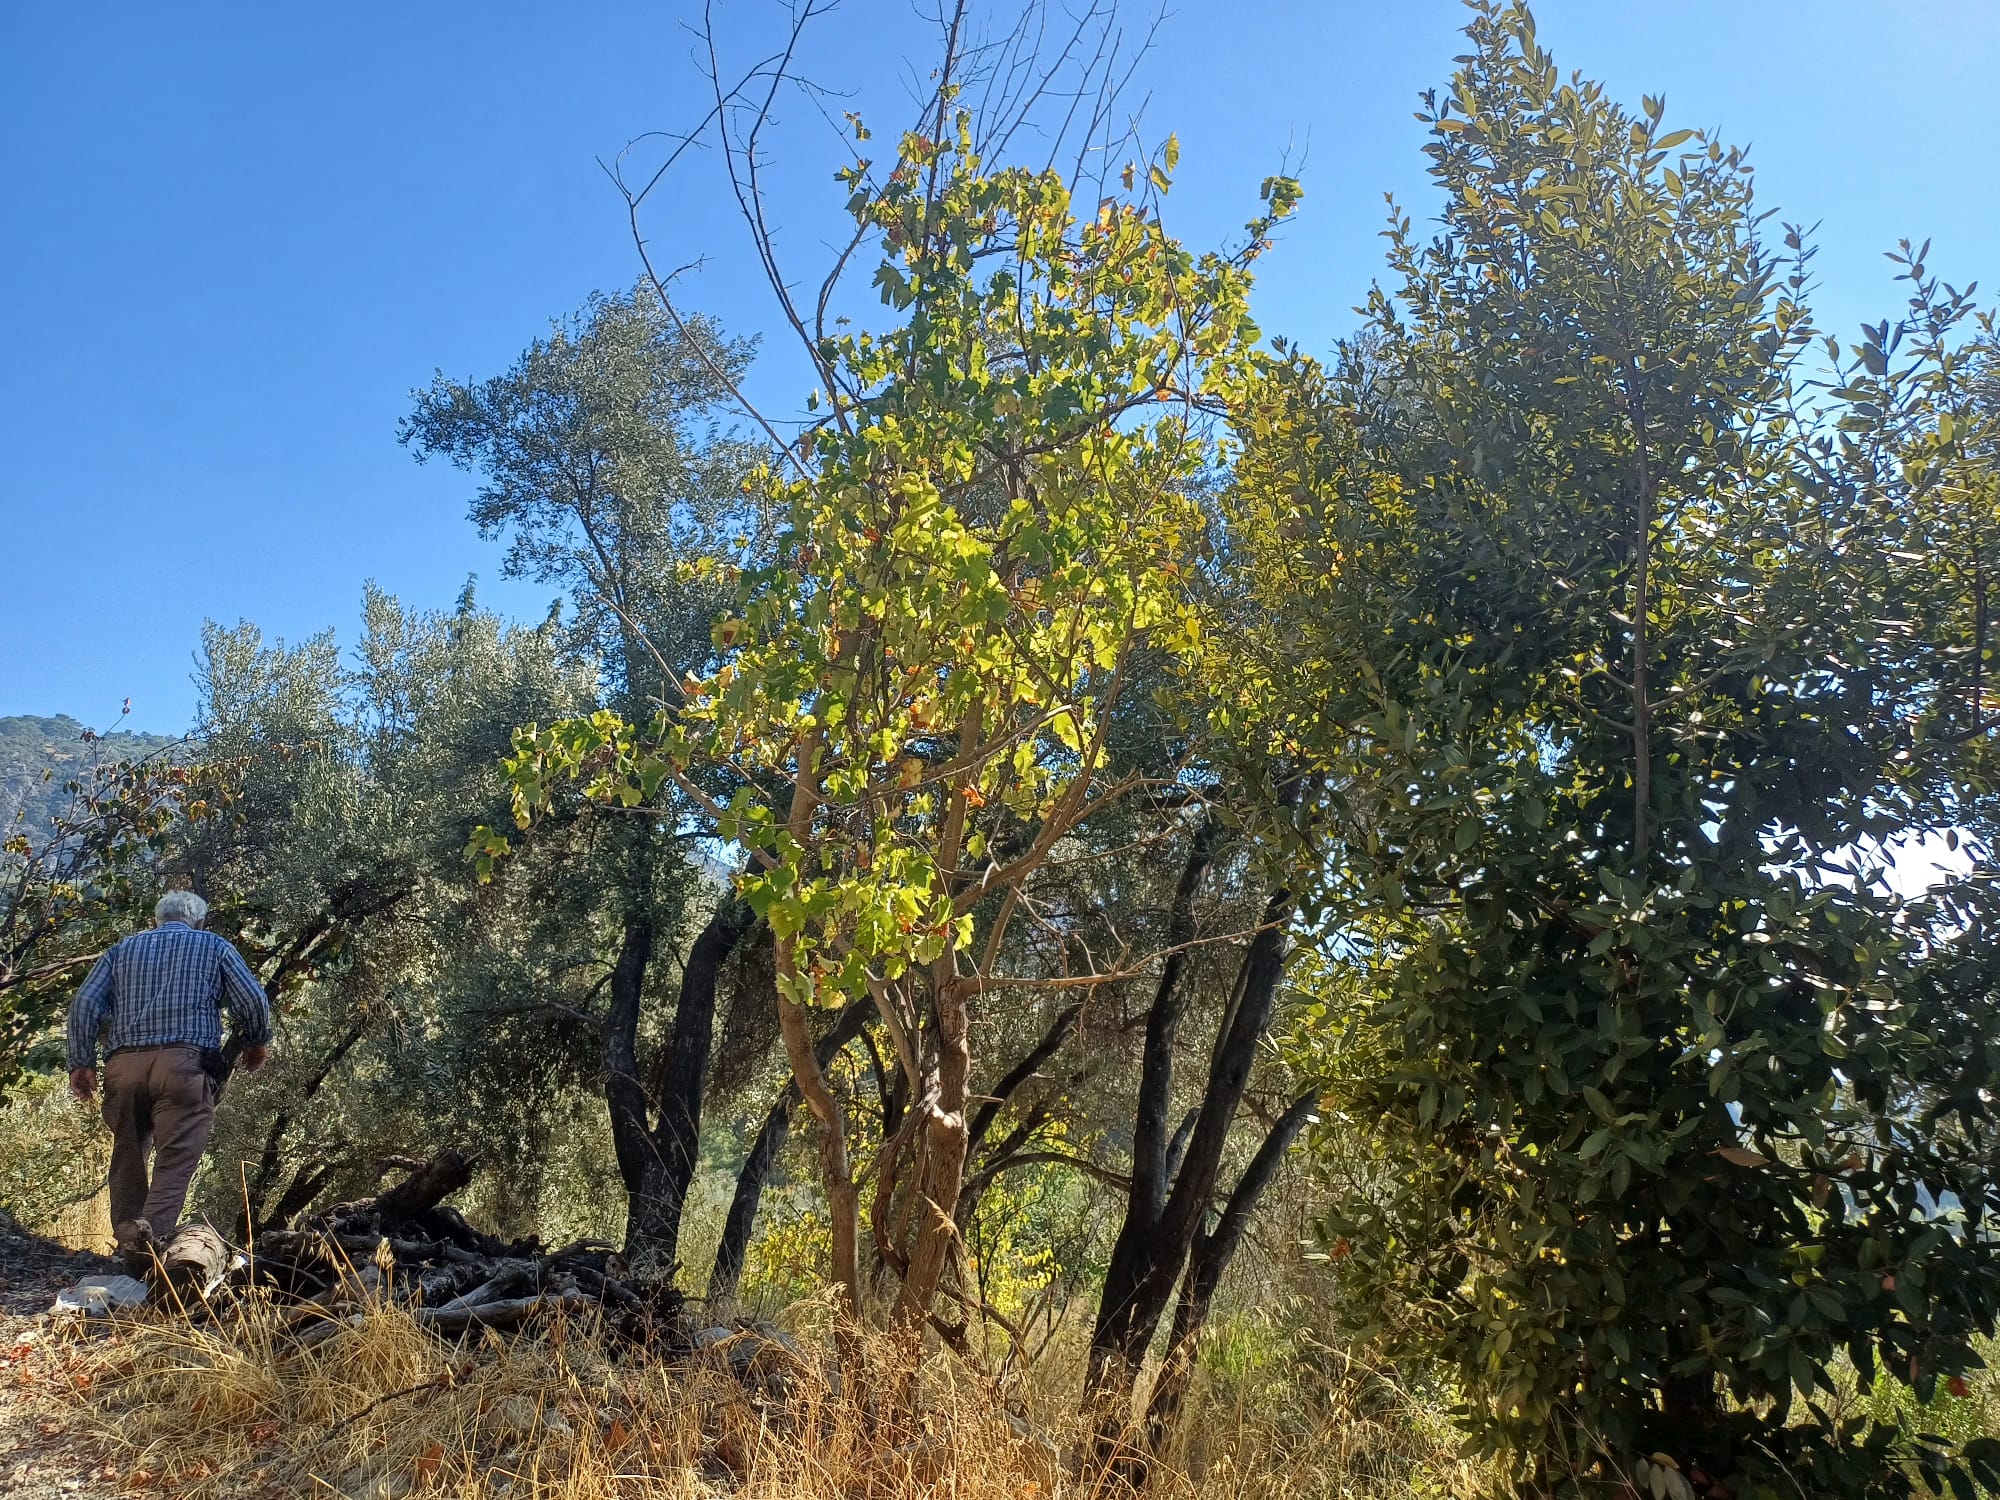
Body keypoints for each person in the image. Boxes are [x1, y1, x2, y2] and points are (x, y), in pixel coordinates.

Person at [66, 890, 272, 1266]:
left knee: (127, 1152)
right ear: (199, 922)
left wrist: (81, 1062)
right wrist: (256, 1042)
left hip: (123, 1067)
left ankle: (127, 1240)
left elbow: (83, 1004)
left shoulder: (121, 951)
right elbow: (254, 999)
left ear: (155, 921)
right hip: (183, 1067)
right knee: (174, 1161)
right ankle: (147, 1249)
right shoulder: (215, 946)